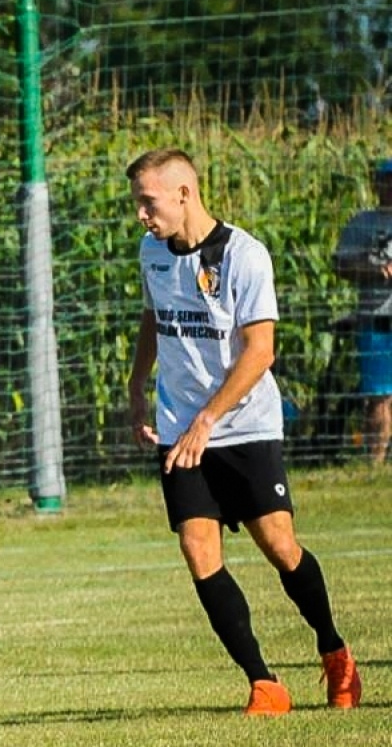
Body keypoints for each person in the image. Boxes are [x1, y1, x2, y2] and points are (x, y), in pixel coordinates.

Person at [125, 148, 362, 715]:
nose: (140, 214)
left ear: (184, 194)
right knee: (196, 546)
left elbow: (261, 351)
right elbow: (154, 316)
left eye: (147, 201)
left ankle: (334, 652)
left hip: (244, 425)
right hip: (182, 429)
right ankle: (264, 683)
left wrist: (210, 418)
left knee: (279, 545)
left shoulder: (244, 256)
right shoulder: (152, 252)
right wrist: (137, 386)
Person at [331, 158, 392, 465]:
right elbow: (340, 264)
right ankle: (375, 464)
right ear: (377, 184)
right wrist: (374, 270)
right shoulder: (361, 223)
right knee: (379, 395)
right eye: (386, 180)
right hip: (376, 320)